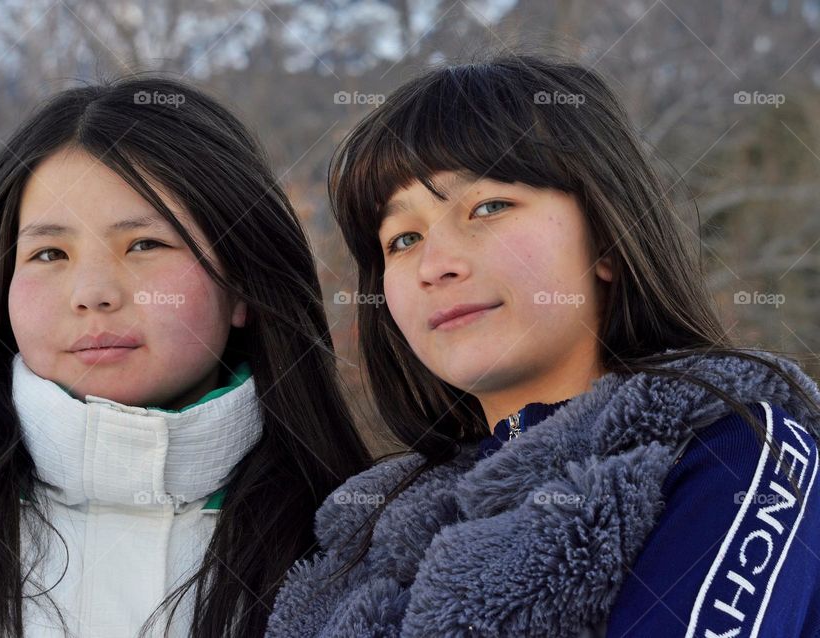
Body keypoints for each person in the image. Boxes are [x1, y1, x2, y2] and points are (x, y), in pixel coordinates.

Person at [266, 53, 820, 637]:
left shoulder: (742, 449)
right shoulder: (371, 539)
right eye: (402, 238)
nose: (435, 264)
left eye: (488, 207)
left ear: (608, 233)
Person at [0, 76, 371, 638]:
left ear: (242, 287)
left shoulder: (356, 540)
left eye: (144, 245)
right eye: (49, 252)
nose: (93, 292)